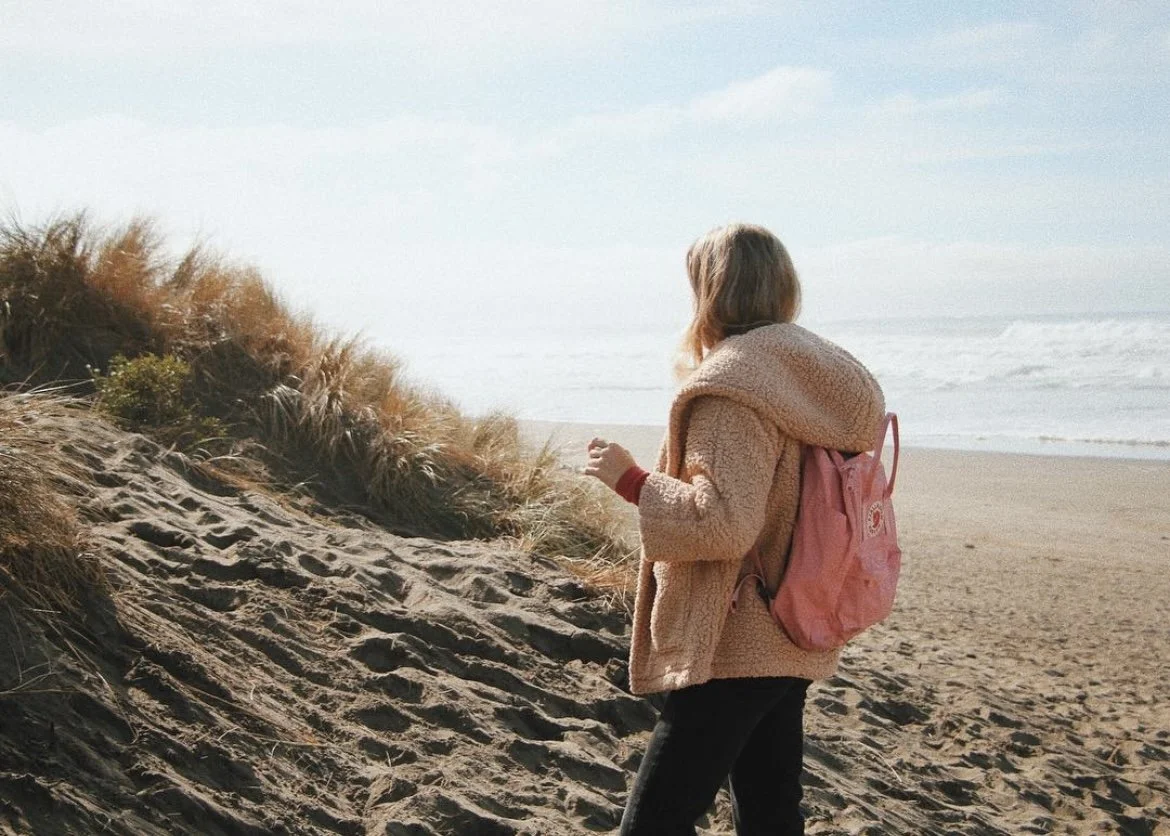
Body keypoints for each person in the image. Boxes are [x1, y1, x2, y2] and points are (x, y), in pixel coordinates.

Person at [584, 223, 886, 835]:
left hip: (736, 632)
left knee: (655, 823)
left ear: (710, 291)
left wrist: (631, 481)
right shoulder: (819, 376)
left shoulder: (732, 389)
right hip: (795, 620)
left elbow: (722, 522)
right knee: (770, 814)